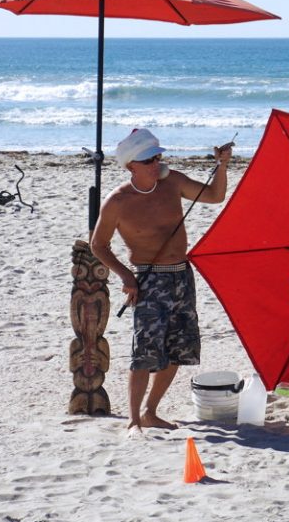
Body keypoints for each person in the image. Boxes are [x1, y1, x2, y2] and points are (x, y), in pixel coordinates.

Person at [90, 128, 232, 432]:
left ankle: (150, 411)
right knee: (145, 351)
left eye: (158, 156)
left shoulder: (172, 182)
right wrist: (127, 276)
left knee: (178, 348)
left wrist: (221, 166)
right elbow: (98, 245)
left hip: (182, 274)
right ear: (132, 166)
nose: (157, 163)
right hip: (148, 280)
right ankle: (133, 420)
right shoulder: (118, 201)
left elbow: (214, 196)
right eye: (149, 160)